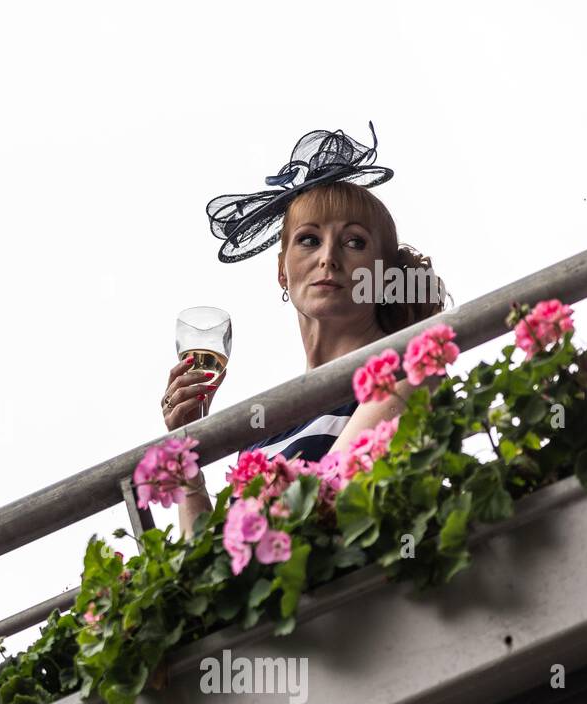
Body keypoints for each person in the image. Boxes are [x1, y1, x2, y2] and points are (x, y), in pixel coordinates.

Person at [160, 123, 449, 538]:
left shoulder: (406, 371)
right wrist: (187, 455)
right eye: (309, 240)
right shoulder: (265, 429)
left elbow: (328, 510)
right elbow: (204, 569)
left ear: (385, 276)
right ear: (282, 271)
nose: (328, 258)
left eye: (354, 243)